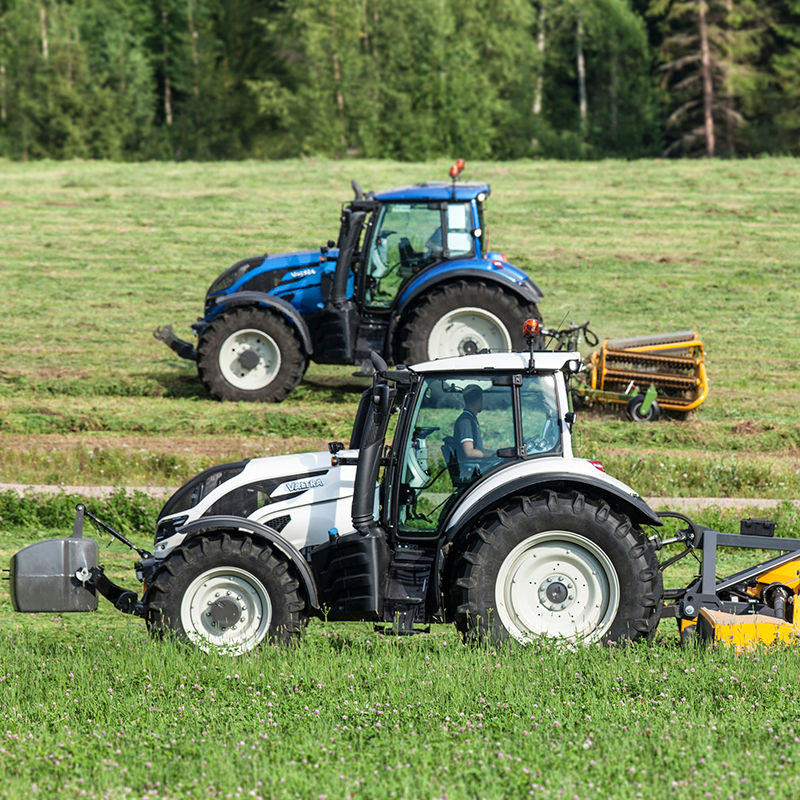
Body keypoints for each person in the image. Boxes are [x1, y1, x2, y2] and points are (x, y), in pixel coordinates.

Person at [454, 384, 485, 459]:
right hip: (472, 468)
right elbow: (469, 452)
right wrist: (493, 455)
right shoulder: (465, 421)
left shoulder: (470, 419)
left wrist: (494, 453)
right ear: (479, 400)